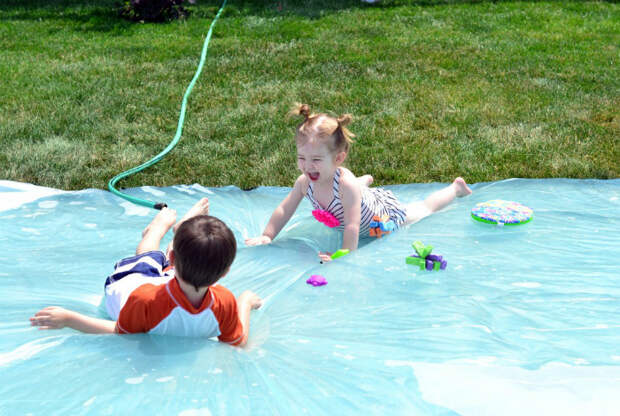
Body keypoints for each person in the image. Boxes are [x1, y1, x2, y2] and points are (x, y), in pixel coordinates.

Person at [245, 104, 472, 262]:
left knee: (424, 209)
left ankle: (455, 188)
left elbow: (353, 227)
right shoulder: (304, 182)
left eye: (315, 160)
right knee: (353, 191)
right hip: (354, 197)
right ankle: (365, 183)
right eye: (301, 158)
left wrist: (342, 254)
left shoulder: (345, 187)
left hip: (380, 218)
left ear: (338, 158)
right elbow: (285, 209)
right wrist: (268, 235)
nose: (307, 166)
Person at [30, 198, 262, 347]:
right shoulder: (225, 301)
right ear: (225, 273)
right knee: (148, 257)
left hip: (151, 282)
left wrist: (69, 319)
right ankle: (157, 229)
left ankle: (180, 231)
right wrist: (245, 302)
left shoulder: (147, 301)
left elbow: (117, 331)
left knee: (156, 260)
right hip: (130, 283)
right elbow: (238, 340)